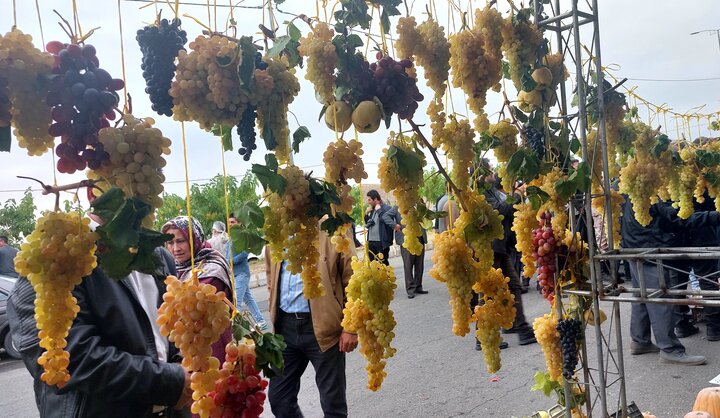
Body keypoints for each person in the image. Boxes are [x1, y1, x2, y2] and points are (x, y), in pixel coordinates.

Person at [7, 227, 192, 417]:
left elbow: (172, 330)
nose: (149, 199)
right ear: (93, 195)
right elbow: (73, 358)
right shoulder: (56, 255)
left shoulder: (158, 254)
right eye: (137, 194)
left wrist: (182, 364)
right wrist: (169, 382)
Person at [266, 226, 359, 418]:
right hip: (285, 329)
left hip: (324, 329)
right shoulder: (277, 229)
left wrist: (351, 327)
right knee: (279, 400)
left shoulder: (333, 228)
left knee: (333, 405)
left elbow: (353, 280)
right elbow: (271, 274)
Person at [621, 195, 718, 365]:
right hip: (650, 249)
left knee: (640, 297)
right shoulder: (654, 188)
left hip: (634, 246)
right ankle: (670, 349)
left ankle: (640, 341)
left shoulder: (636, 183)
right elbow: (677, 219)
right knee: (660, 300)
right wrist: (714, 216)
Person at [162, 216, 234, 362]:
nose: (175, 249)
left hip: (213, 349)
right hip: (186, 353)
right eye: (170, 242)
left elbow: (193, 307)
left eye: (181, 241)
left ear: (194, 238)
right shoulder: (173, 268)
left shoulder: (211, 267)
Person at [482, 168, 537, 348]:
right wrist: (517, 193)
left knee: (513, 286)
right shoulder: (480, 193)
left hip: (499, 247)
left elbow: (507, 214)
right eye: (489, 169)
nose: (493, 172)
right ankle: (484, 336)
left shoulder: (492, 191)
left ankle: (518, 326)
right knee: (490, 292)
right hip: (489, 249)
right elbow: (498, 212)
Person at [227, 215, 268, 331]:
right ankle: (261, 321)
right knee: (248, 299)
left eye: (232, 222)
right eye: (228, 222)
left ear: (239, 223)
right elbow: (227, 255)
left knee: (236, 303)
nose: (230, 224)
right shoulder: (231, 238)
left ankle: (235, 329)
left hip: (242, 274)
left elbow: (245, 253)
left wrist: (231, 261)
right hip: (235, 274)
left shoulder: (241, 236)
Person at [393, 208, 428, 299]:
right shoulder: (399, 206)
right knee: (408, 265)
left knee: (419, 265)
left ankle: (418, 286)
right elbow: (386, 216)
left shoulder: (418, 204)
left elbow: (425, 216)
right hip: (407, 240)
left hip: (419, 238)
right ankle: (410, 289)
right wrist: (394, 225)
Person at [363, 190, 398, 265]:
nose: (368, 202)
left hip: (381, 242)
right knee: (373, 266)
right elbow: (369, 224)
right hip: (371, 242)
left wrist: (379, 211)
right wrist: (366, 214)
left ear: (375, 199)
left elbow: (387, 221)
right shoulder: (372, 209)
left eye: (369, 200)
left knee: (383, 265)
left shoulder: (387, 208)